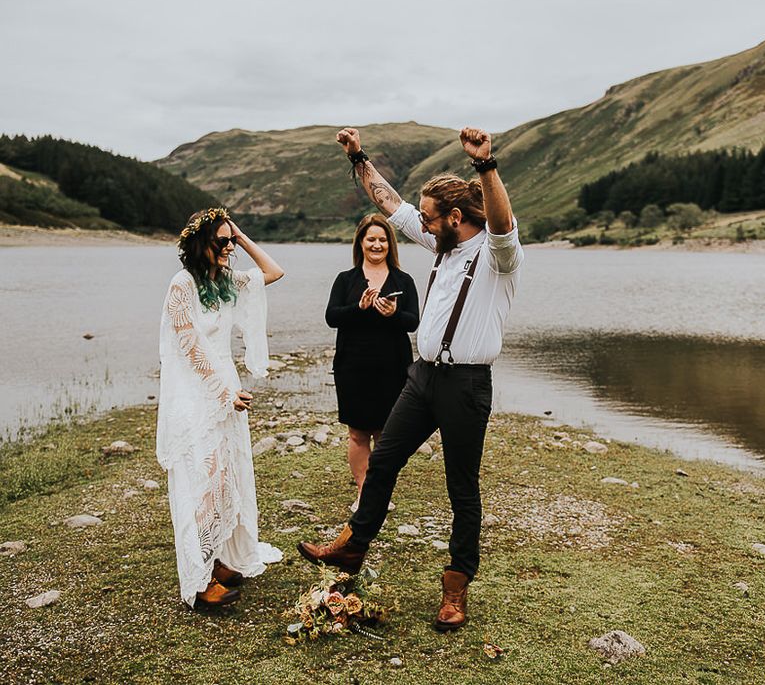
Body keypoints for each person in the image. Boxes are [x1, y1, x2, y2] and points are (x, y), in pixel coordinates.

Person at [298, 127, 524, 631]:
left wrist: (485, 167)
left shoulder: (498, 256)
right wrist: (358, 158)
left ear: (456, 218)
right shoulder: (441, 243)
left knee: (461, 488)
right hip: (421, 378)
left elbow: (504, 224)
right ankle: (354, 546)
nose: (419, 223)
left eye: (429, 216)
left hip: (467, 385)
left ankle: (456, 586)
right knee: (383, 462)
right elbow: (392, 202)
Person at [156, 207, 284, 608]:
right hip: (195, 392)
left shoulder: (225, 280)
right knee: (201, 480)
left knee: (227, 474)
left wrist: (242, 238)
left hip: (225, 385)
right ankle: (199, 577)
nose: (229, 247)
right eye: (221, 241)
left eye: (231, 241)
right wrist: (223, 393)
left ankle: (221, 558)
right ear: (200, 244)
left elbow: (274, 272)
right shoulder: (183, 285)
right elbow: (189, 346)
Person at [325, 214, 419, 511]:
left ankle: (380, 494)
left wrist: (393, 314)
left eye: (382, 240)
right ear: (361, 243)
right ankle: (365, 495)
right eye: (371, 239)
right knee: (358, 432)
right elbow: (332, 317)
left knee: (387, 435)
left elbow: (414, 322)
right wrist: (360, 307)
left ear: (390, 245)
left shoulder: (404, 281)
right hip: (353, 367)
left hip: (393, 368)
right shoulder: (346, 279)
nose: (377, 245)